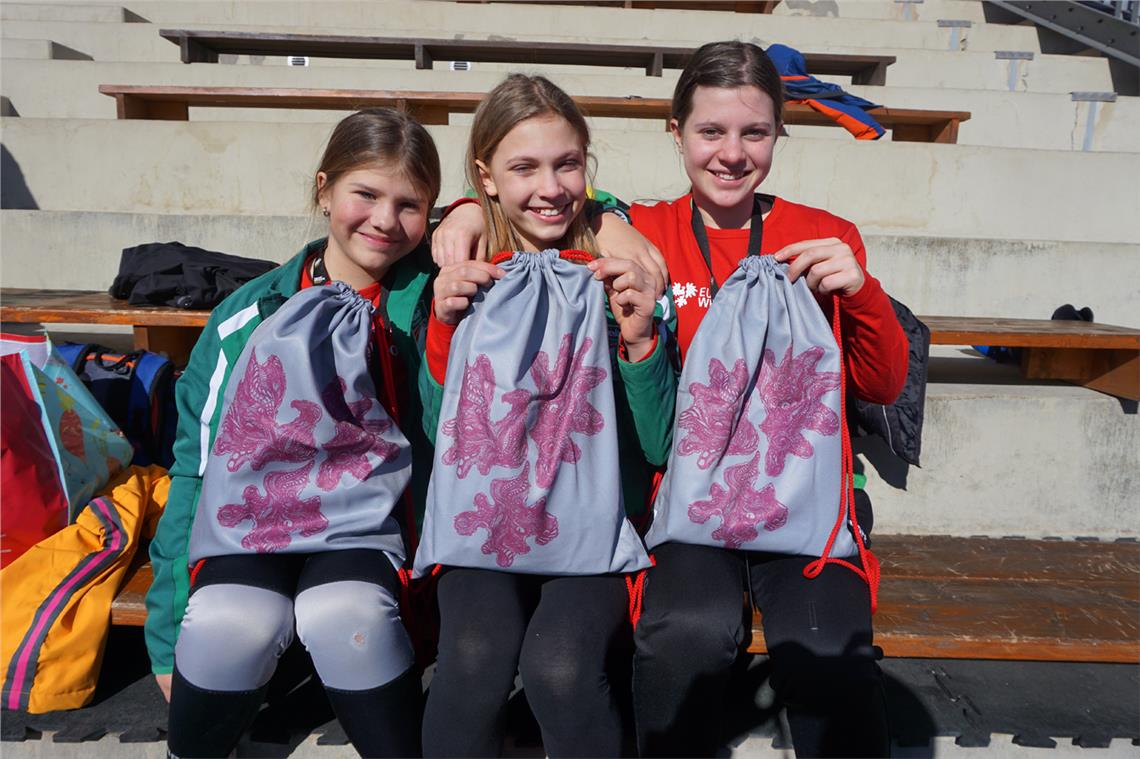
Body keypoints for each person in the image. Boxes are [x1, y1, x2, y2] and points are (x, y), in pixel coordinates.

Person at [435, 42, 908, 758]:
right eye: (711, 131)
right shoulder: (640, 234)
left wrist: (863, 295)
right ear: (676, 131)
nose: (732, 153)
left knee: (827, 653)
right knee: (686, 631)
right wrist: (468, 209)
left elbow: (882, 385)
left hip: (803, 498)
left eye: (755, 132)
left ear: (779, 134)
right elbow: (558, 199)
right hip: (687, 501)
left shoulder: (824, 236)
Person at [144, 108, 440, 758]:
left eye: (410, 204)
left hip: (373, 530)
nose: (385, 220)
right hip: (257, 524)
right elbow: (195, 469)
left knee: (344, 614)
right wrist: (168, 638)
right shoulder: (249, 317)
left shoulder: (435, 307)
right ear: (324, 188)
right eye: (366, 194)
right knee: (229, 623)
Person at [417, 73, 675, 758]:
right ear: (486, 176)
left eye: (567, 164)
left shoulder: (622, 268)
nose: (550, 187)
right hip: (484, 528)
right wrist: (444, 330)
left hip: (594, 529)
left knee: (560, 666)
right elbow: (438, 431)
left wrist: (640, 343)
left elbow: (660, 444)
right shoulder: (464, 269)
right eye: (523, 167)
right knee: (472, 656)